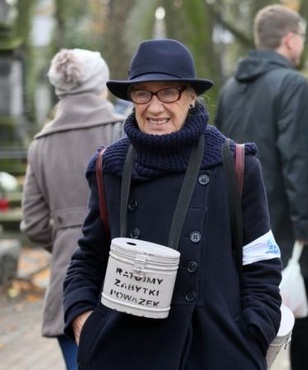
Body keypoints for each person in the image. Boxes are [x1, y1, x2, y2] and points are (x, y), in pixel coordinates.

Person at [62, 39, 282, 369]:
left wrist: (254, 332)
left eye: (168, 92)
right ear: (131, 99)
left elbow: (261, 261)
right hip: (125, 353)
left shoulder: (233, 163)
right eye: (143, 93)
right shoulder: (109, 167)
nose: (154, 107)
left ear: (191, 97)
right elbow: (88, 257)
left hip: (216, 350)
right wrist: (83, 320)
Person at [215, 5, 308, 370]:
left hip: (239, 227)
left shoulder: (230, 88)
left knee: (250, 315)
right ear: (290, 39)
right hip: (287, 227)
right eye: (301, 39)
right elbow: (299, 160)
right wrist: (307, 226)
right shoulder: (292, 83)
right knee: (305, 316)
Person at [20, 48, 125, 370]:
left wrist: (69, 238)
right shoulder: (121, 130)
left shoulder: (41, 143)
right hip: (125, 276)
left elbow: (34, 223)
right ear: (101, 83)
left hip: (69, 282)